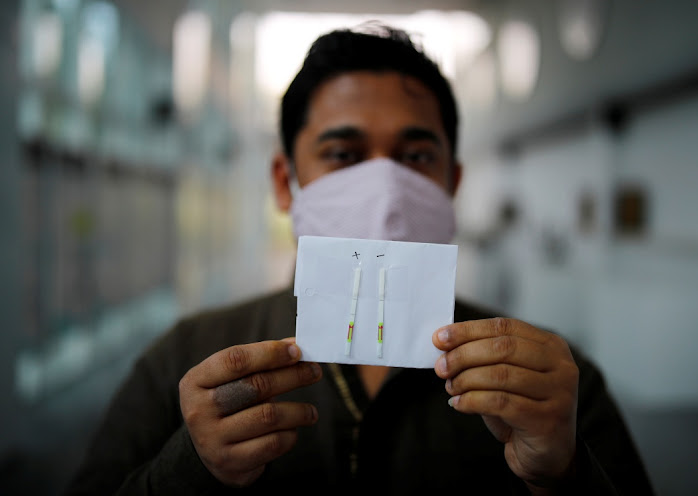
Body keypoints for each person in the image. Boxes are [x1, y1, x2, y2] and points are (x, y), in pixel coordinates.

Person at [64, 24, 654, 495]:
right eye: (344, 153)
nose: (387, 187)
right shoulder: (186, 361)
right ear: (284, 182)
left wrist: (564, 475)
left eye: (417, 155)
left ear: (452, 181)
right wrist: (187, 471)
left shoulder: (551, 383)